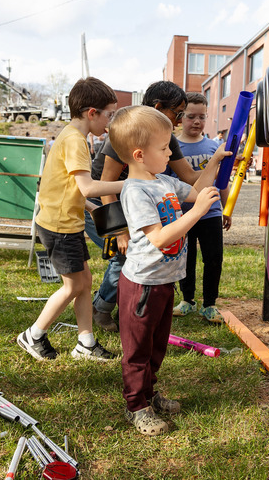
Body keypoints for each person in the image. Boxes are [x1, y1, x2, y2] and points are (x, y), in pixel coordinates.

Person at [109, 105, 225, 435]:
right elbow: (160, 238)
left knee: (157, 345)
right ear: (139, 154)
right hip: (142, 286)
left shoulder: (163, 180)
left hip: (164, 281)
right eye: (164, 148)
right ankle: (136, 405)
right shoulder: (135, 191)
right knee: (138, 350)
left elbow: (198, 191)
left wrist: (215, 160)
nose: (170, 152)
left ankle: (149, 393)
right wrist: (198, 211)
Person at [86, 81, 224, 333]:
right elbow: (105, 185)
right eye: (178, 113)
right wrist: (120, 232)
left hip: (142, 196)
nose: (181, 120)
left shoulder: (164, 140)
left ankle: (124, 306)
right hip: (108, 202)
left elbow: (191, 181)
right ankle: (103, 309)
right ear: (159, 107)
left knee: (131, 256)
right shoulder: (129, 132)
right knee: (123, 256)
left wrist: (215, 161)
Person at [16, 77, 124, 362]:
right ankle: (34, 334)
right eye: (108, 115)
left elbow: (68, 186)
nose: (110, 123)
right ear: (92, 113)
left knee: (85, 281)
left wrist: (88, 207)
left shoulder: (69, 135)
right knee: (74, 286)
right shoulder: (76, 141)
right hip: (59, 226)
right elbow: (88, 185)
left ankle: (85, 343)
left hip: (65, 221)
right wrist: (131, 185)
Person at [170, 93, 231, 323]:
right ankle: (187, 299)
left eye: (202, 117)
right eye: (191, 116)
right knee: (186, 258)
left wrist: (226, 209)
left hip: (210, 213)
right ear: (181, 117)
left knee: (213, 258)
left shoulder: (215, 147)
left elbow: (222, 181)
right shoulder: (172, 147)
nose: (196, 121)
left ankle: (209, 304)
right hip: (183, 214)